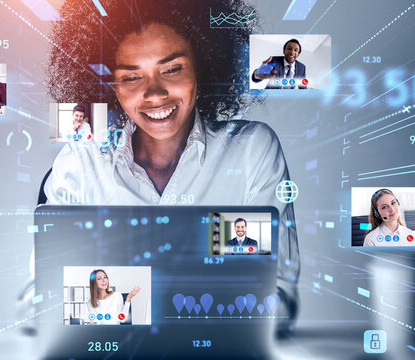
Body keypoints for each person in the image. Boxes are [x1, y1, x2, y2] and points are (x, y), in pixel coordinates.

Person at [41, 0, 299, 332]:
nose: (154, 93)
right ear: (111, 88)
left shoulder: (252, 151)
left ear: (202, 66)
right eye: (132, 76)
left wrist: (134, 300)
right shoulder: (82, 161)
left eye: (172, 69)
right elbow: (48, 299)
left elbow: (276, 296)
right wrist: (198, 293)